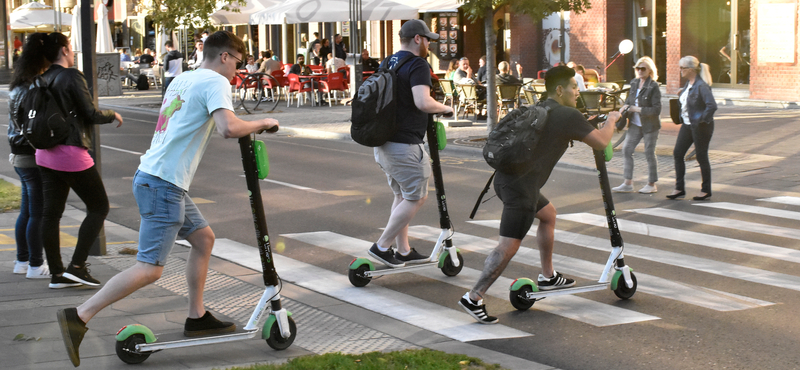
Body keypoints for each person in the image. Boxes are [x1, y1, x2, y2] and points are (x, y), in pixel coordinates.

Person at [56, 31, 280, 367]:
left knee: (203, 239)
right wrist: (264, 121)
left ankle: (197, 316)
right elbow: (228, 127)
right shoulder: (216, 82)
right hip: (163, 184)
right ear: (225, 56)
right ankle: (80, 315)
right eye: (239, 61)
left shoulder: (183, 79)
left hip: (155, 177)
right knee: (149, 269)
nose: (238, 69)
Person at [458, 66, 620, 324]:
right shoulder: (568, 114)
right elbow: (601, 142)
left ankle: (548, 276)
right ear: (559, 89)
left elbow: (565, 132)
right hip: (521, 189)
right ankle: (474, 296)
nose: (578, 92)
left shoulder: (542, 108)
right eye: (574, 87)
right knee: (508, 244)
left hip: (505, 180)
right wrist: (612, 120)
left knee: (548, 214)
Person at [33, 33, 124, 291]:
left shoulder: (42, 77)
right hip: (69, 152)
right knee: (99, 207)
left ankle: (57, 274)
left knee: (50, 214)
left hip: (44, 153)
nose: (72, 52)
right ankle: (77, 266)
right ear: (64, 50)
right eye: (70, 47)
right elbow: (89, 113)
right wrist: (112, 114)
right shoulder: (70, 75)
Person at [367, 19, 454, 268]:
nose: (429, 44)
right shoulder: (418, 64)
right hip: (404, 144)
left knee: (401, 194)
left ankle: (403, 250)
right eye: (427, 39)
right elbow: (423, 102)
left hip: (384, 142)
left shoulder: (388, 62)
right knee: (417, 198)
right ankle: (382, 246)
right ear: (417, 39)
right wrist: (445, 108)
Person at [7, 33, 50, 279]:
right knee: (37, 213)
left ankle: (21, 261)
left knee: (26, 211)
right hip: (32, 154)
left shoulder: (17, 86)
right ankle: (36, 264)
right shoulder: (35, 87)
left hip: (18, 154)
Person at [667, 56, 717, 201]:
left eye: (682, 68)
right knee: (678, 153)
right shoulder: (690, 84)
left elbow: (712, 106)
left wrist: (702, 120)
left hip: (700, 127)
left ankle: (706, 190)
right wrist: (682, 94)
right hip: (687, 125)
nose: (680, 71)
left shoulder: (701, 86)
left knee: (701, 157)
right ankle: (679, 188)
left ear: (690, 69)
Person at [612, 57, 662, 194]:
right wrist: (622, 110)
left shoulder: (653, 86)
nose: (639, 71)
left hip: (650, 126)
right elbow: (629, 101)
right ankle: (628, 183)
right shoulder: (634, 83)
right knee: (627, 149)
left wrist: (637, 109)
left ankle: (652, 184)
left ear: (650, 70)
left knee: (649, 152)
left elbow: (657, 109)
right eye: (637, 68)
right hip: (635, 124)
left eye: (643, 69)